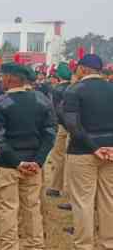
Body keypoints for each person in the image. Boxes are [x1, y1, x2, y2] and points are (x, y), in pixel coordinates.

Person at [0, 62, 57, 250]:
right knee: (32, 208)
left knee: (8, 209)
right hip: (34, 163)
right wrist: (38, 160)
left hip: (9, 164)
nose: (0, 80)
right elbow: (50, 133)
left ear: (9, 78)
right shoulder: (43, 100)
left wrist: (17, 162)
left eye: (3, 77)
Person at [56, 54, 113, 250]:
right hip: (110, 150)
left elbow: (72, 124)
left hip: (83, 151)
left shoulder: (75, 90)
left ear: (82, 69)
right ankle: (109, 248)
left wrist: (93, 147)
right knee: (109, 200)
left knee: (82, 201)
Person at [46, 63, 73, 201]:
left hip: (63, 126)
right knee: (69, 159)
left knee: (59, 157)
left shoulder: (57, 90)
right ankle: (66, 189)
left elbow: (57, 110)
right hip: (74, 126)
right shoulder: (74, 87)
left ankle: (56, 186)